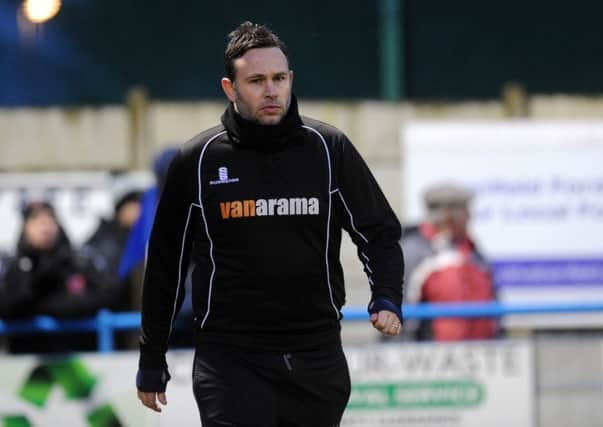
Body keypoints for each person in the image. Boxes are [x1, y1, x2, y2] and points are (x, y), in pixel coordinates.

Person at [135, 22, 404, 427]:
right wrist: (152, 355)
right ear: (231, 88)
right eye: (256, 80)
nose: (271, 90)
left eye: (279, 78)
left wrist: (386, 296)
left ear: (291, 79)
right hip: (230, 360)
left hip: (316, 355)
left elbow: (379, 231)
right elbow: (165, 266)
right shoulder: (198, 159)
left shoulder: (328, 148)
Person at [0, 200, 116, 353]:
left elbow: (104, 295)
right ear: (25, 227)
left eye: (50, 220)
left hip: (78, 355)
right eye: (36, 220)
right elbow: (9, 305)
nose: (45, 227)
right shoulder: (14, 266)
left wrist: (53, 305)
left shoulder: (78, 262)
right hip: (26, 359)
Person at [402, 182, 498, 341]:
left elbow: (494, 305)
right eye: (464, 211)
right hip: (432, 358)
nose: (469, 216)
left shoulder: (474, 253)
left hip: (481, 354)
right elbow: (399, 315)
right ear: (447, 216)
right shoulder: (414, 253)